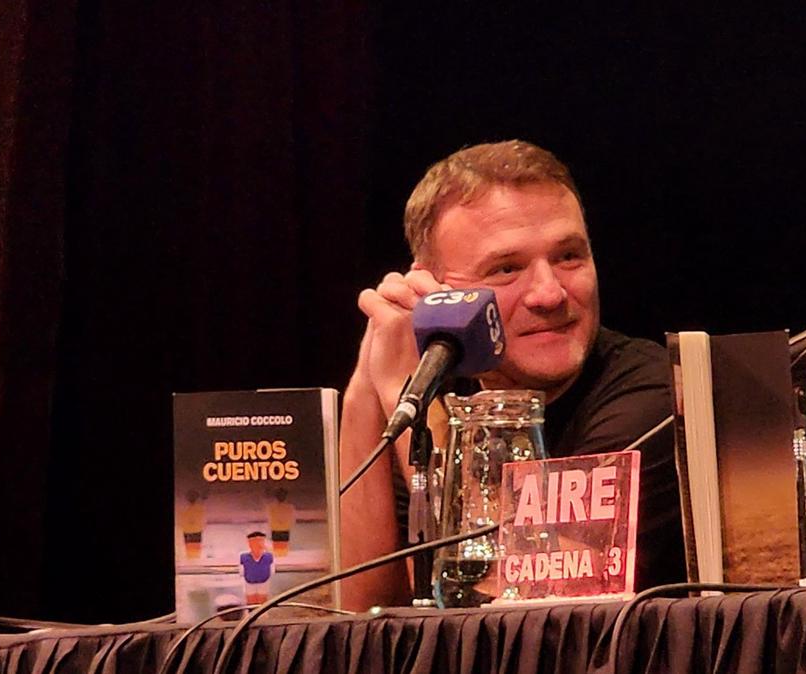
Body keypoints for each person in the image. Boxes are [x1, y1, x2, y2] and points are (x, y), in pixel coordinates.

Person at [339, 140, 684, 610]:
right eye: (506, 268)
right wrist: (367, 384)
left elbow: (531, 596)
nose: (549, 293)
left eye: (568, 257)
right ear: (436, 290)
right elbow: (362, 613)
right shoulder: (439, 396)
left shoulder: (655, 397)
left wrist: (405, 394)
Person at [239, 531, 274, 604]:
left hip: (264, 582)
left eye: (260, 541)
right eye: (255, 542)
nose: (258, 544)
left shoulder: (268, 557)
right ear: (249, 544)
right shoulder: (243, 557)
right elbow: (241, 572)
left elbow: (272, 571)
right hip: (249, 583)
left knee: (262, 603)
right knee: (251, 602)